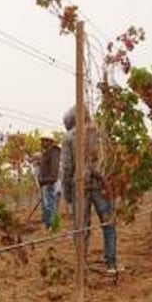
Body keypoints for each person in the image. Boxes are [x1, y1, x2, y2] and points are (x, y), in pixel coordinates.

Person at [60, 107, 118, 273]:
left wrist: (67, 193)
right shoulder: (101, 133)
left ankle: (82, 264)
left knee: (81, 227)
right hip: (101, 184)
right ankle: (111, 263)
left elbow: (67, 167)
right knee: (108, 223)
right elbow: (110, 158)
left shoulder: (69, 137)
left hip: (80, 185)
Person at [37, 135, 62, 230]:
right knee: (48, 206)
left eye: (44, 141)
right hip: (46, 183)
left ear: (50, 142)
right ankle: (49, 226)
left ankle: (53, 227)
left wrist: (47, 181)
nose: (42, 143)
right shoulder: (47, 153)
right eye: (42, 141)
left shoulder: (54, 153)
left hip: (50, 183)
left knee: (50, 206)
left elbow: (54, 170)